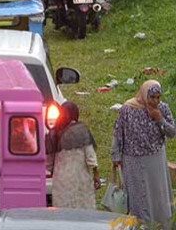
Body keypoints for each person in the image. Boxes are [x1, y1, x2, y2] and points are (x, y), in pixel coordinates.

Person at [112, 80, 176, 224]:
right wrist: (116, 156)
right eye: (152, 97)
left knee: (157, 195)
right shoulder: (127, 109)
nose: (155, 101)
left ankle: (161, 225)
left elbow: (172, 133)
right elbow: (117, 133)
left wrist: (160, 120)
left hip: (155, 159)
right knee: (139, 197)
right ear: (143, 94)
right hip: (133, 160)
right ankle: (140, 225)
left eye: (158, 97)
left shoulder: (163, 109)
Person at [47, 101, 100, 208]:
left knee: (63, 210)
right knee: (82, 209)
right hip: (80, 177)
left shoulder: (53, 133)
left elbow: (48, 163)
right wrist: (96, 175)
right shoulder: (81, 131)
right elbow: (90, 157)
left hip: (61, 179)